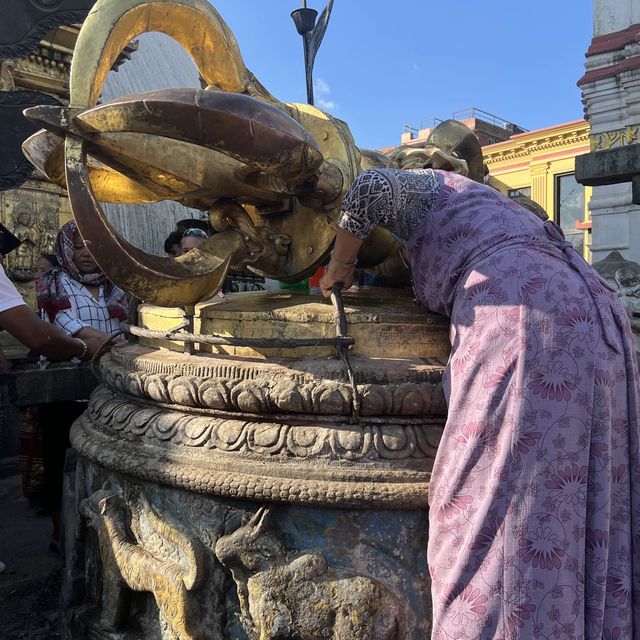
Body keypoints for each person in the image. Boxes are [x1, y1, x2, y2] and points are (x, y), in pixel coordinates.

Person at [319, 151, 640, 639]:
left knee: (491, 492)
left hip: (527, 314)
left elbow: (370, 189)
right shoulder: (491, 205)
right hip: (592, 315)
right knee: (574, 485)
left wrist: (340, 265)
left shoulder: (433, 186)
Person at [36, 220, 127, 552]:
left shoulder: (112, 287)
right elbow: (78, 333)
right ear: (65, 250)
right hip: (66, 388)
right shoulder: (55, 284)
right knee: (62, 462)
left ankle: (96, 536)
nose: (86, 253)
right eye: (78, 247)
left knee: (100, 462)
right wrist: (125, 349)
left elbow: (123, 326)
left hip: (104, 388)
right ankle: (62, 538)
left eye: (91, 246)